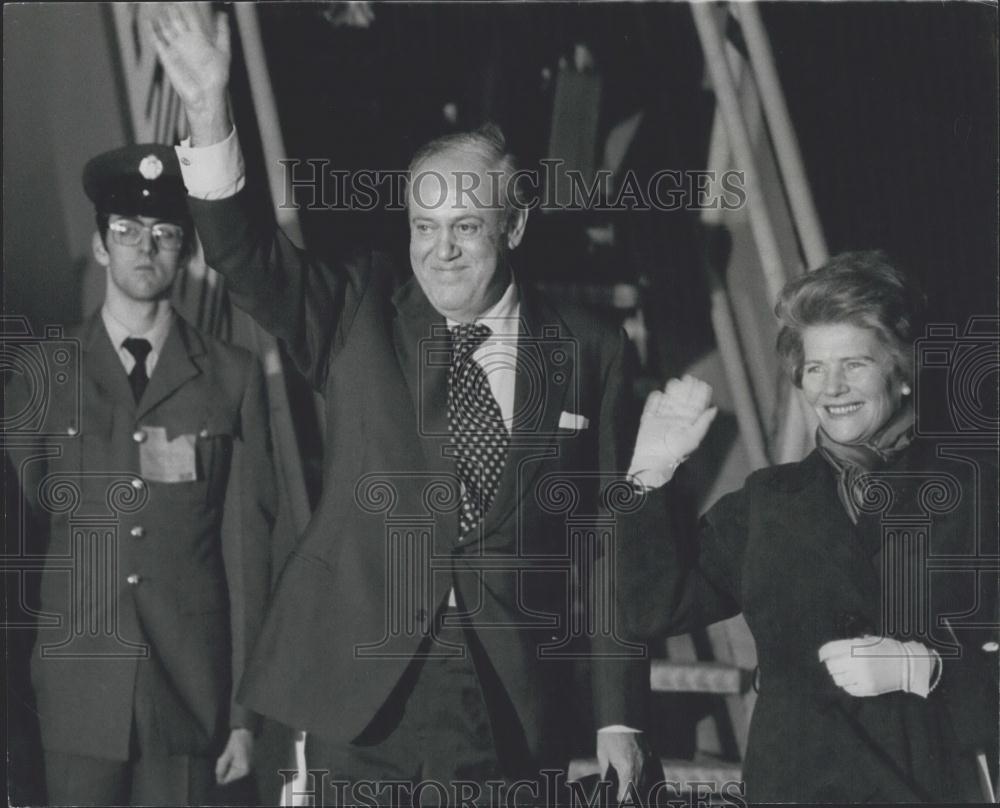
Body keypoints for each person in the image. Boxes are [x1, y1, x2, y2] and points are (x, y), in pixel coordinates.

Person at [150, 5, 664, 805]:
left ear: (516, 224)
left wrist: (618, 714)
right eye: (425, 226)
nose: (441, 249)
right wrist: (211, 111)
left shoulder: (590, 348)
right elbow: (248, 257)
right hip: (359, 692)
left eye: (466, 225)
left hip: (510, 698)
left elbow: (606, 542)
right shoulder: (360, 308)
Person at [628, 250, 999, 802]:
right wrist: (646, 480)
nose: (833, 387)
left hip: (928, 787)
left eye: (855, 364)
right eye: (816, 369)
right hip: (795, 788)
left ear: (900, 373)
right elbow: (650, 606)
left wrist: (929, 668)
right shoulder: (766, 503)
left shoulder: (977, 495)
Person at [4, 143, 276, 806]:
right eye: (125, 232)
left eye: (164, 234)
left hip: (186, 696)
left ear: (185, 252)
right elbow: (15, 546)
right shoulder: (44, 374)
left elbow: (246, 558)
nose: (144, 248)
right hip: (73, 696)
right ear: (100, 247)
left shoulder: (231, 376)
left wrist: (245, 715)